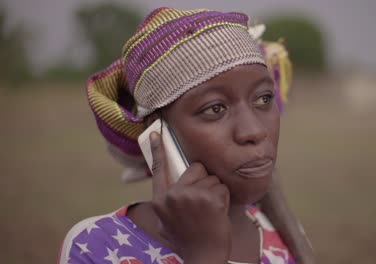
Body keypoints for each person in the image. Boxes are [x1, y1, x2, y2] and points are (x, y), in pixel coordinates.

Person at [59, 7, 314, 264]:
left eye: (263, 98)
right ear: (156, 134)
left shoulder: (285, 240)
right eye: (215, 109)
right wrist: (205, 255)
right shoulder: (97, 247)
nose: (255, 131)